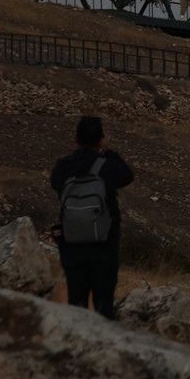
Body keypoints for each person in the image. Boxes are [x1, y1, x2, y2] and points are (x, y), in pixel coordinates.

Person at [49, 115, 134, 319]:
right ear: (101, 139)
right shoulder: (107, 165)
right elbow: (127, 175)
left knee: (76, 302)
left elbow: (55, 183)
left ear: (76, 139)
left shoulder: (64, 167)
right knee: (104, 304)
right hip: (104, 246)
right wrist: (109, 151)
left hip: (72, 246)